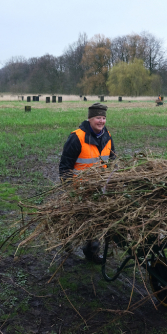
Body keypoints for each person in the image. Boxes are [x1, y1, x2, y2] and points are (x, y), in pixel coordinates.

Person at [59, 102, 116, 263]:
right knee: (75, 219)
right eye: (98, 117)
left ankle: (91, 252)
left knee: (96, 220)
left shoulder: (107, 136)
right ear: (90, 119)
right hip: (79, 189)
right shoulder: (76, 137)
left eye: (104, 118)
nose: (101, 121)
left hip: (99, 189)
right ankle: (66, 238)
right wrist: (69, 188)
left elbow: (112, 161)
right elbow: (65, 165)